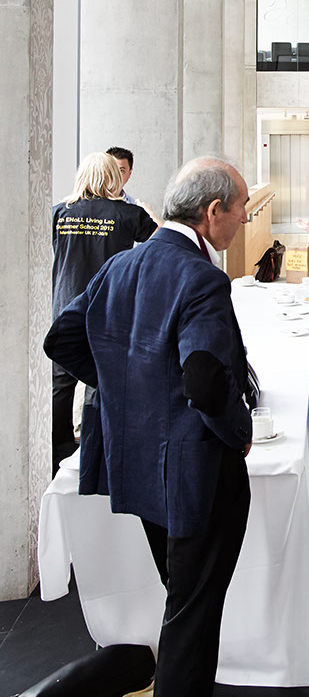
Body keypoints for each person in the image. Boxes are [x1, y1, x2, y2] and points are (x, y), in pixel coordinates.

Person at [44, 158, 254, 697]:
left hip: (140, 467)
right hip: (194, 473)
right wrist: (238, 430)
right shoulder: (199, 278)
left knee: (182, 606)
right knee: (191, 620)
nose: (246, 217)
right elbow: (202, 380)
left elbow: (64, 339)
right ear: (212, 211)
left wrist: (130, 392)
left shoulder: (123, 264)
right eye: (241, 206)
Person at [50, 151, 156, 470]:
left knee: (61, 384)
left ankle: (59, 456)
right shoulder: (129, 215)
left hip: (65, 305)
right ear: (114, 177)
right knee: (101, 379)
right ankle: (96, 452)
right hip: (108, 307)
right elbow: (159, 245)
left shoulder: (60, 213)